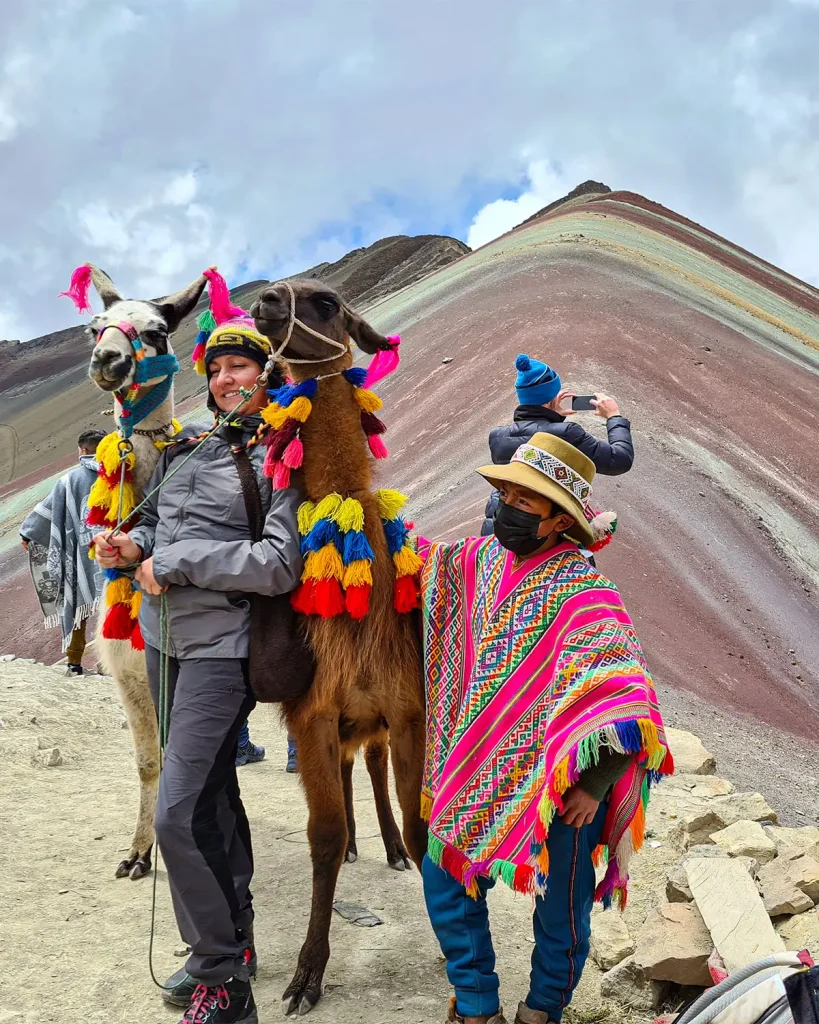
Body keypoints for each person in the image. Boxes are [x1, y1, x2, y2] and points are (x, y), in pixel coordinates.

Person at [93, 277, 302, 1024]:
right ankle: (233, 941)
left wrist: (175, 565)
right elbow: (163, 528)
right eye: (215, 370)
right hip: (162, 641)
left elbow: (278, 563)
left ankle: (221, 981)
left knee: (176, 812)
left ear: (264, 373)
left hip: (220, 647)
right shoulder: (189, 446)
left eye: (240, 367)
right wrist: (132, 544)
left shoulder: (280, 456)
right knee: (211, 797)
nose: (224, 380)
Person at [418, 432, 672, 1024]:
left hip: (563, 788)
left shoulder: (586, 595)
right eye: (504, 492)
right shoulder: (479, 562)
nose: (504, 505)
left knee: (561, 906)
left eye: (523, 501)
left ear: (560, 519)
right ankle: (477, 1005)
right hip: (480, 767)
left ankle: (542, 1010)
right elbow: (418, 564)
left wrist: (598, 783)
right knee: (445, 872)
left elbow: (629, 700)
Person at [481, 354, 634, 536]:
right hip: (546, 534)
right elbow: (619, 460)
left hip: (499, 528)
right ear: (551, 398)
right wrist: (614, 416)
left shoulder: (497, 437)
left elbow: (533, 441)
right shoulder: (567, 433)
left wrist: (553, 416)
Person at [20, 428, 107, 675]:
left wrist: (28, 534)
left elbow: (44, 515)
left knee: (77, 602)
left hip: (80, 555)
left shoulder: (69, 481)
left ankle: (74, 663)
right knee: (114, 606)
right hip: (116, 551)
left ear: (82, 450)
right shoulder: (119, 474)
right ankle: (109, 663)